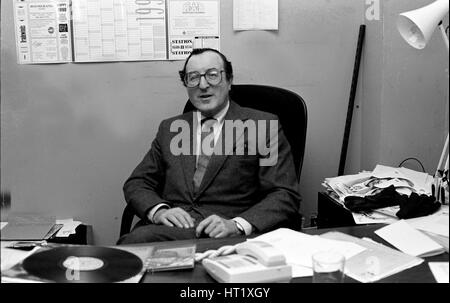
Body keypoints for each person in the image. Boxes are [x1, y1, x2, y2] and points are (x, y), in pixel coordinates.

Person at [117, 48, 301, 244]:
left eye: (212, 75)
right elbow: (137, 183)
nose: (203, 85)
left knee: (135, 246)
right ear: (186, 85)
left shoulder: (262, 126)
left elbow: (284, 193)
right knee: (131, 250)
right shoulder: (170, 129)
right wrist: (159, 211)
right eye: (193, 77)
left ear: (229, 81)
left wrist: (237, 225)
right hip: (170, 232)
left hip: (229, 236)